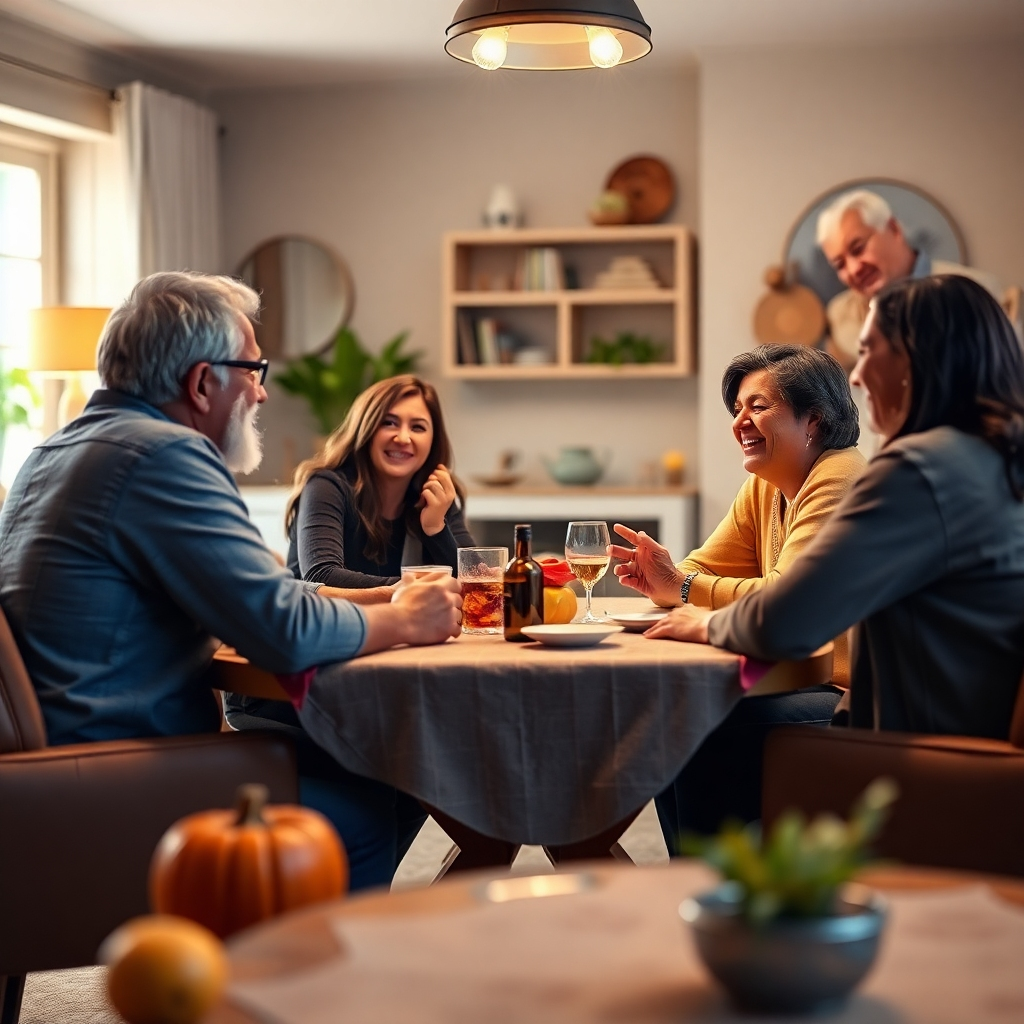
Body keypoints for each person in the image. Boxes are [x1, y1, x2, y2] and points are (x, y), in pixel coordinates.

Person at [0, 271, 462, 891]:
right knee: (369, 796)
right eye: (253, 372)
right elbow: (285, 634)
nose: (262, 395)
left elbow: (260, 596)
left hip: (54, 763)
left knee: (382, 771)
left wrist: (384, 594)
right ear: (201, 382)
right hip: (117, 770)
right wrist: (405, 620)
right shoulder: (164, 456)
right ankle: (302, 975)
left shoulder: (56, 452)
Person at [649, 274, 1024, 744]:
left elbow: (788, 620)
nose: (858, 376)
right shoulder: (993, 458)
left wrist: (704, 619)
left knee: (693, 715)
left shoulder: (919, 472)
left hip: (919, 748)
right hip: (976, 734)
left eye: (867, 351)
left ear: (914, 359)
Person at [609, 344, 865, 840]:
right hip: (797, 675)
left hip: (849, 694)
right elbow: (698, 572)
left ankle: (708, 883)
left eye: (758, 406)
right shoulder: (767, 484)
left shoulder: (840, 477)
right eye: (737, 409)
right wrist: (670, 582)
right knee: (676, 716)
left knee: (697, 723)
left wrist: (680, 587)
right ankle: (695, 880)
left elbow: (782, 598)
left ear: (813, 420)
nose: (740, 422)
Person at [284, 375, 474, 595]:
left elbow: (475, 583)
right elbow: (321, 576)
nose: (403, 438)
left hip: (397, 628)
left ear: (433, 440)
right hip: (320, 626)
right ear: (365, 430)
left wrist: (435, 528)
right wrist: (414, 590)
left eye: (418, 427)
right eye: (389, 423)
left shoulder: (434, 495)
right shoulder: (326, 486)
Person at [816, 189, 1003, 372]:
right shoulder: (839, 316)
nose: (854, 269)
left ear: (894, 229)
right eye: (840, 264)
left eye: (858, 249)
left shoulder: (975, 291)